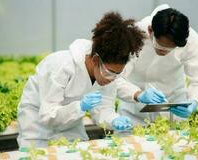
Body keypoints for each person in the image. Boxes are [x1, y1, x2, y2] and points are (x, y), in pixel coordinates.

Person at [17, 12, 145, 147]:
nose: (112, 79)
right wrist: (80, 106)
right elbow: (48, 115)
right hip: (38, 126)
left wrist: (113, 120)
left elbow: (103, 108)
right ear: (96, 59)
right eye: (110, 72)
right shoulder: (61, 66)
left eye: (117, 74)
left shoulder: (106, 74)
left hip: (70, 125)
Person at [117, 4, 198, 125]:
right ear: (150, 30)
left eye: (170, 49)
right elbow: (114, 77)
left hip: (174, 108)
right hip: (133, 110)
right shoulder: (132, 34)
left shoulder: (190, 39)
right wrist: (137, 94)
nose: (164, 52)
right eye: (160, 46)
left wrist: (194, 101)